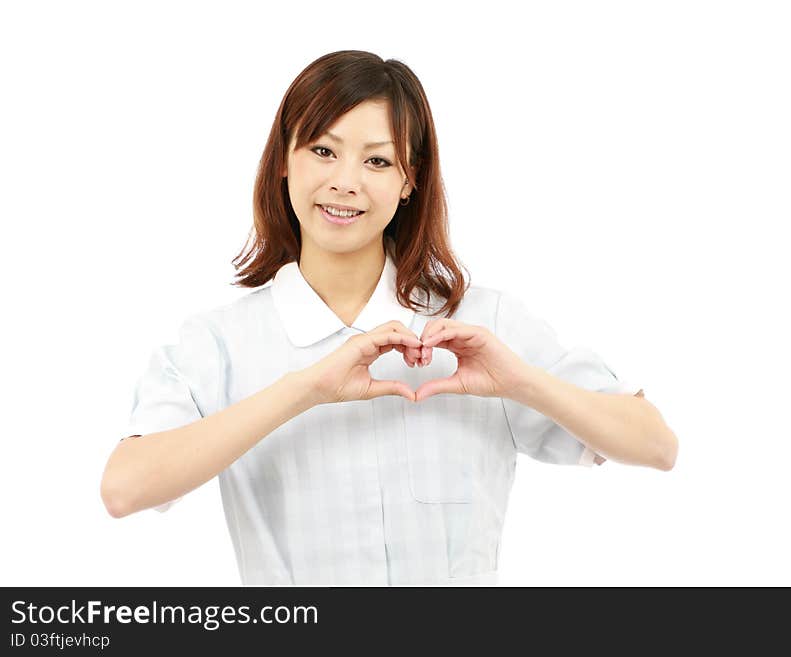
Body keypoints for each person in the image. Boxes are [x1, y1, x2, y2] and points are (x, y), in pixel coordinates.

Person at [100, 50, 678, 586]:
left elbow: (656, 445)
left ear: (409, 180)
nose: (346, 182)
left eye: (377, 160)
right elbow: (124, 488)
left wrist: (522, 382)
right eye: (323, 150)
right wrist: (304, 389)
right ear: (283, 160)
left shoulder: (481, 324)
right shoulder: (220, 343)